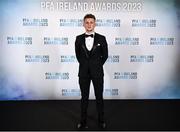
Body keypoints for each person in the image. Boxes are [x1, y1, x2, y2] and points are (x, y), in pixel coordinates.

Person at [75, 14, 108, 129]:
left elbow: (105, 55)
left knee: (99, 97)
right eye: (87, 22)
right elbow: (78, 56)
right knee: (84, 98)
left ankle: (101, 121)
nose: (89, 24)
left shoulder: (102, 38)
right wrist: (86, 65)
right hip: (83, 73)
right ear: (83, 24)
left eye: (91, 22)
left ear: (95, 23)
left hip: (97, 73)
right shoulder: (78, 38)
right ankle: (83, 122)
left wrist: (96, 66)